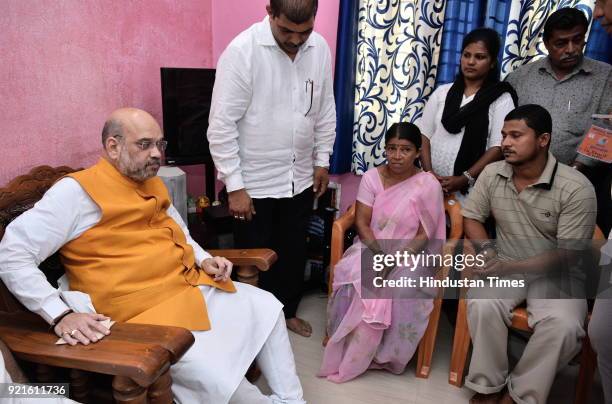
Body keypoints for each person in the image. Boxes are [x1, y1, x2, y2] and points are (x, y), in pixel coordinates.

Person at [0, 108, 305, 404]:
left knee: (266, 306)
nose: (157, 153)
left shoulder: (152, 180)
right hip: (140, 315)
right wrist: (60, 314)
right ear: (113, 147)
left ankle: (292, 400)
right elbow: (11, 253)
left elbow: (179, 231)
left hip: (187, 288)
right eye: (144, 145)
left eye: (160, 144)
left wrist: (203, 259)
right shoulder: (75, 194)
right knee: (216, 377)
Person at [206, 0, 336, 338]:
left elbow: (324, 109)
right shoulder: (242, 52)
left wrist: (322, 160)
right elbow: (221, 126)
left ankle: (286, 313)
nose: (295, 40)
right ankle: (253, 328)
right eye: (286, 31)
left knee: (293, 251)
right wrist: (234, 186)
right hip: (252, 185)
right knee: (252, 258)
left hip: (299, 178)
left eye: (304, 31)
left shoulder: (319, 48)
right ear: (269, 12)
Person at [461, 104, 597, 404]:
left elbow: (568, 254)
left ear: (543, 139)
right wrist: (487, 252)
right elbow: (472, 217)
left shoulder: (576, 187)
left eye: (516, 135)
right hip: (506, 265)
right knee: (482, 303)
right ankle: (489, 386)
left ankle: (520, 393)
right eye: (503, 135)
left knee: (564, 326)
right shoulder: (492, 173)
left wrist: (507, 267)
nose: (506, 143)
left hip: (557, 274)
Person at [318, 122, 446, 383]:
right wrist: (380, 254)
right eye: (392, 148)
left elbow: (424, 234)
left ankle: (386, 355)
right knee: (355, 274)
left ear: (418, 152)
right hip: (373, 245)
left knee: (405, 285)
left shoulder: (427, 184)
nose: (397, 156)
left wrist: (396, 259)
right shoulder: (371, 177)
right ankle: (352, 343)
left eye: (405, 150)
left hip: (413, 251)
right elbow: (362, 223)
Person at [505, 7, 612, 234]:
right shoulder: (521, 78)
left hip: (579, 188)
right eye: (561, 43)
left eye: (577, 40)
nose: (571, 49)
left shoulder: (605, 77)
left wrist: (567, 178)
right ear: (546, 43)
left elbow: (605, 132)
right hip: (520, 189)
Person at [418, 27, 517, 202]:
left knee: (461, 227)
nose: (471, 62)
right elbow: (424, 135)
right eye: (466, 55)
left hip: (471, 188)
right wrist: (428, 174)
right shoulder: (442, 92)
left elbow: (498, 147)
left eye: (480, 57)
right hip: (431, 184)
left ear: (492, 62)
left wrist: (465, 178)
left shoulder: (501, 98)